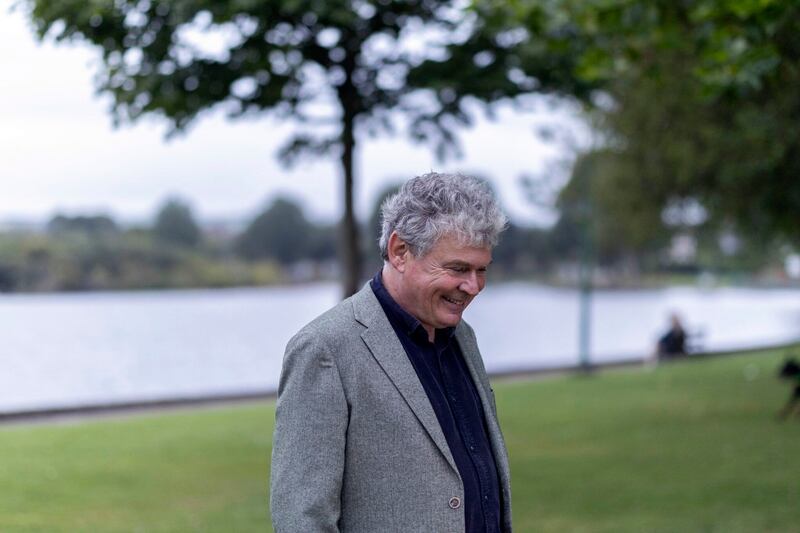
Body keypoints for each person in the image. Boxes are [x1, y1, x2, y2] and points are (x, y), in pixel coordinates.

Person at [270, 172, 512, 532]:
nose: (473, 286)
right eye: (458, 268)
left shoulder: (463, 336)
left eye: (481, 270)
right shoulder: (324, 348)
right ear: (400, 251)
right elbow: (301, 519)